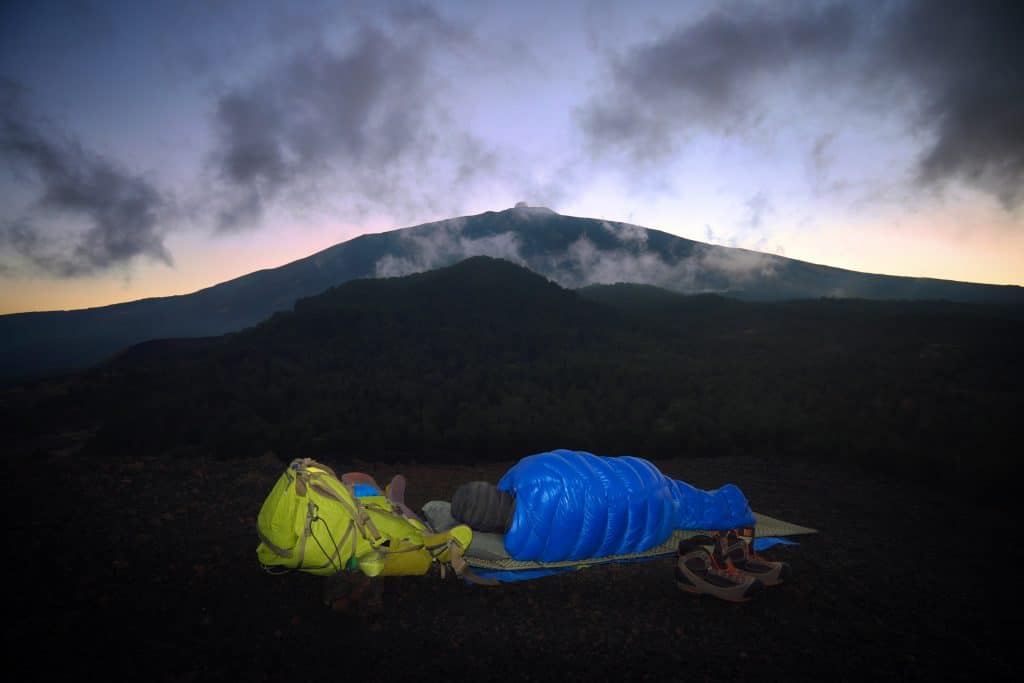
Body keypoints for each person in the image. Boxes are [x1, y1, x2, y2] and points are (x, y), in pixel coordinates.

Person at [450, 448, 788, 601]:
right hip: (641, 474)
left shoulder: (521, 546)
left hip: (653, 523)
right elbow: (578, 462)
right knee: (686, 496)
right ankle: (735, 526)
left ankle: (730, 534)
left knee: (680, 509)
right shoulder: (527, 468)